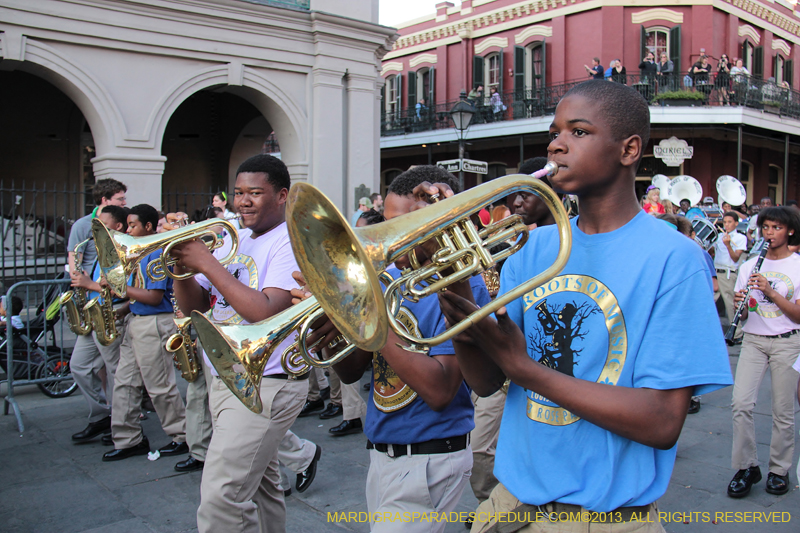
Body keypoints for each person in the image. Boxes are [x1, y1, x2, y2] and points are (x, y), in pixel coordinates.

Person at [435, 80, 732, 532]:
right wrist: (457, 310)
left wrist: (526, 369)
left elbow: (662, 422)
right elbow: (488, 380)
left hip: (604, 519)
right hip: (509, 506)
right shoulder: (530, 249)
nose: (556, 145)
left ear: (629, 149)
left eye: (578, 132)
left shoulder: (676, 259)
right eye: (554, 132)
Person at [296, 165, 490, 533]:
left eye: (402, 228)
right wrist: (335, 328)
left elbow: (441, 390)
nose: (388, 242)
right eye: (384, 226)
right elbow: (352, 371)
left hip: (432, 455)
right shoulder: (391, 281)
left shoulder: (463, 285)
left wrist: (372, 318)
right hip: (383, 450)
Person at [170, 154, 306, 533]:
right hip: (229, 375)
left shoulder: (290, 241)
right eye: (238, 192)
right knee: (261, 490)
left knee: (222, 497)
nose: (243, 201)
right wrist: (182, 265)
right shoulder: (237, 237)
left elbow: (264, 312)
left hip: (266, 380)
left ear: (282, 196)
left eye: (255, 193)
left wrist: (206, 263)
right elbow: (194, 306)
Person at [102, 204, 187, 462]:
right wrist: (123, 309)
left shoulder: (155, 254)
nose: (128, 230)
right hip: (136, 320)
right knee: (124, 382)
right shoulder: (138, 254)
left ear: (148, 227)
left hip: (154, 324)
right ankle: (128, 439)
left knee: (159, 385)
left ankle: (182, 436)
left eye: (132, 225)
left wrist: (119, 289)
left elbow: (153, 296)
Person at [729, 206, 800, 498]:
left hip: (788, 341)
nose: (769, 234)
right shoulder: (748, 266)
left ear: (790, 231)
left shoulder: (797, 265)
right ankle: (747, 466)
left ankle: (779, 470)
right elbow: (745, 316)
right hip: (755, 340)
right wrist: (741, 306)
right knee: (740, 403)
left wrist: (770, 292)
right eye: (766, 228)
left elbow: (797, 315)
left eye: (776, 228)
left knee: (782, 411)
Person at [69, 205, 131, 444]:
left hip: (111, 313)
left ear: (117, 227)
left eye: (101, 225)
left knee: (116, 371)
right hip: (94, 313)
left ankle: (122, 422)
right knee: (78, 366)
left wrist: (89, 284)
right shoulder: (97, 249)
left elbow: (124, 291)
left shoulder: (124, 251)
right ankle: (100, 416)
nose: (96, 229)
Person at [67, 178, 127, 274]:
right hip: (92, 282)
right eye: (120, 199)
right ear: (105, 200)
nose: (124, 203)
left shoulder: (127, 220)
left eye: (124, 198)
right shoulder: (81, 225)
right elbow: (74, 263)